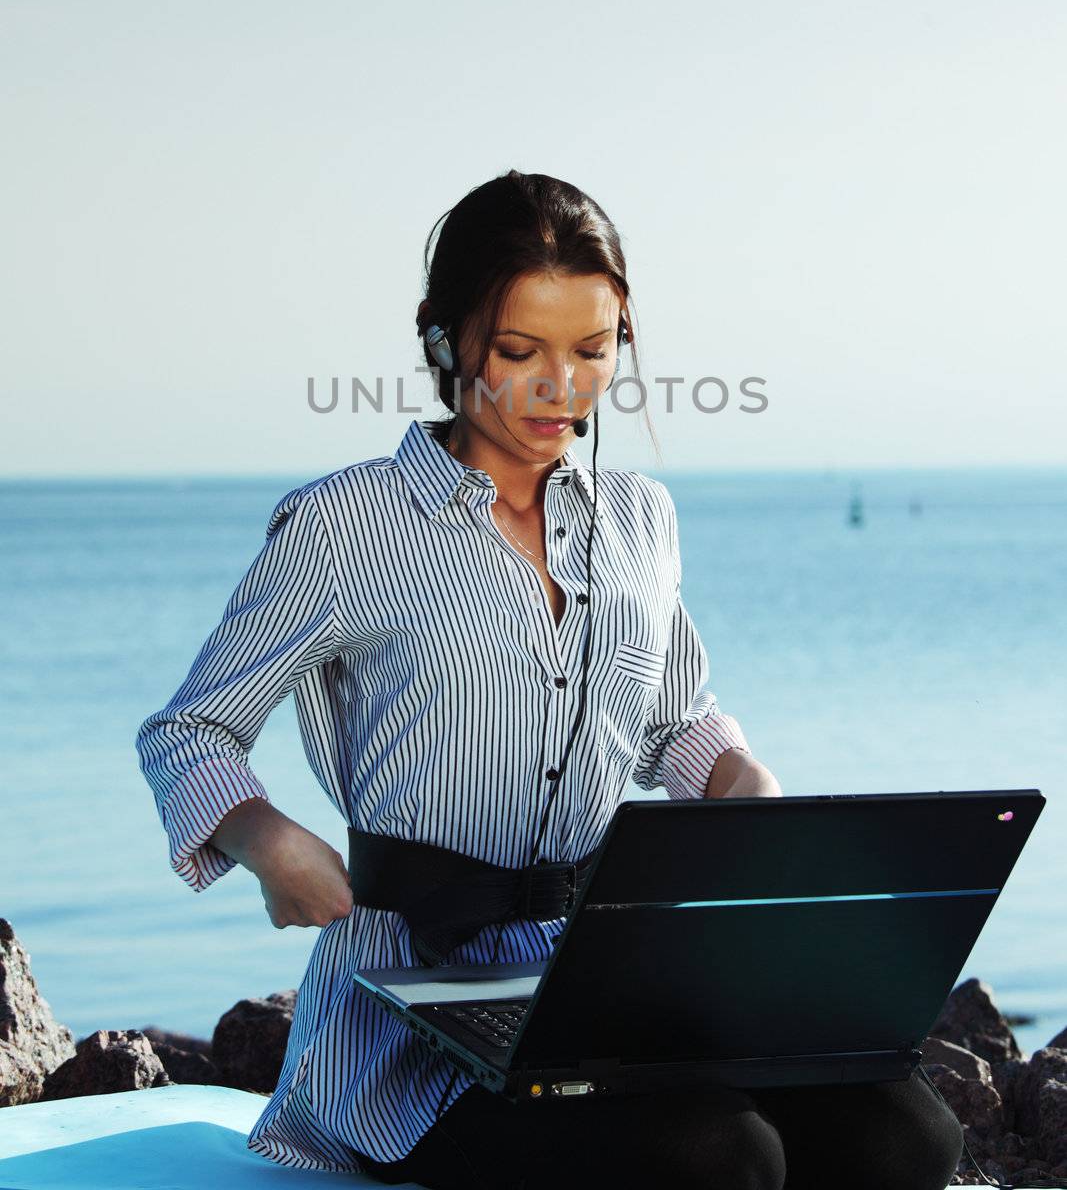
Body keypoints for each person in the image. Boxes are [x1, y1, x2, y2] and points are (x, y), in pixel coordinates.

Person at [135, 170, 964, 1189]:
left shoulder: (639, 518)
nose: (558, 388)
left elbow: (672, 721)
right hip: (411, 1007)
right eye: (519, 351)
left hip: (605, 978)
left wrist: (739, 788)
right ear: (442, 340)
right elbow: (190, 731)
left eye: (591, 349)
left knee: (901, 1134)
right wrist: (267, 842)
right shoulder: (347, 523)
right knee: (715, 1155)